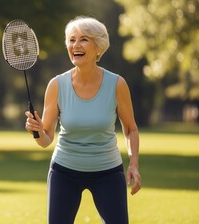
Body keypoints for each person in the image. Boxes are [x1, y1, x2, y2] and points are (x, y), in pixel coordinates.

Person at [24, 16, 141, 224]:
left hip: (108, 171)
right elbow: (46, 140)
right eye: (71, 39)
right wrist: (38, 131)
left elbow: (130, 128)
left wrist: (133, 164)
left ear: (99, 47)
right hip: (64, 171)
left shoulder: (117, 84)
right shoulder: (56, 85)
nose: (75, 45)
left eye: (84, 39)